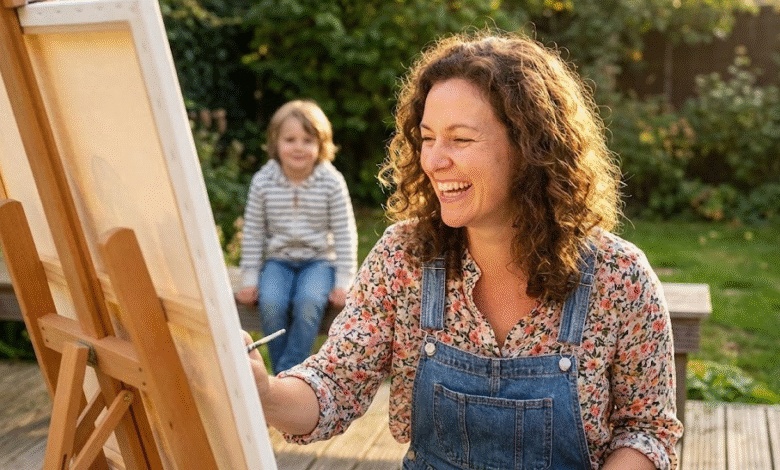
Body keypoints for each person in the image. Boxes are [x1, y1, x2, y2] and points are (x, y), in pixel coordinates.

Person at [245, 32, 683, 470]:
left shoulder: (618, 276)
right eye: (427, 138)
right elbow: (334, 384)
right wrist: (263, 393)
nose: (434, 161)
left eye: (460, 139)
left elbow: (647, 432)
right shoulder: (404, 258)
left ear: (530, 148)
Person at [237, 99, 357, 374]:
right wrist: (250, 279)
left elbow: (345, 234)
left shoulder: (331, 182)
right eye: (290, 139)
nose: (298, 147)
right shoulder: (263, 181)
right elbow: (253, 232)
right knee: (271, 303)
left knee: (309, 303)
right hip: (278, 261)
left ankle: (285, 375)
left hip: (318, 262)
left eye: (308, 140)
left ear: (321, 144)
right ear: (275, 142)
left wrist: (343, 282)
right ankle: (288, 376)